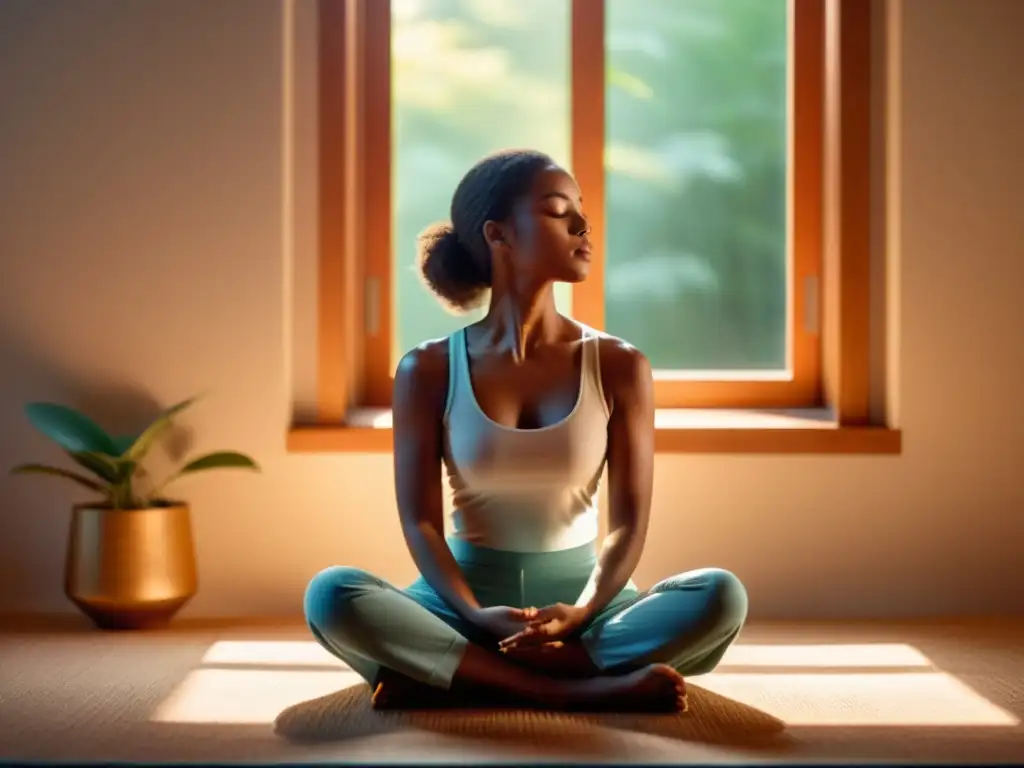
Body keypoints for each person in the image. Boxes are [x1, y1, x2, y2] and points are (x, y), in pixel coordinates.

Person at [304, 149, 748, 712]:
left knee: (720, 596)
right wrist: (472, 614)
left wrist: (584, 612)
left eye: (580, 211)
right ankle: (570, 688)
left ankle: (462, 673)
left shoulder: (619, 364)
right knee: (332, 595)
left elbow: (628, 525)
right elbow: (420, 521)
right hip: (461, 606)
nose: (582, 226)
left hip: (588, 607)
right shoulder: (429, 368)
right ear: (498, 235)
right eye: (558, 211)